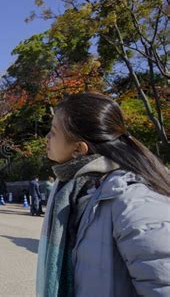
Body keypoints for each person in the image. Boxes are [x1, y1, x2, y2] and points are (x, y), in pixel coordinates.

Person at [36, 93, 170, 297]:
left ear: (79, 149)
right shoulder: (79, 191)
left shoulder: (131, 200)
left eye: (53, 132)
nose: (47, 138)